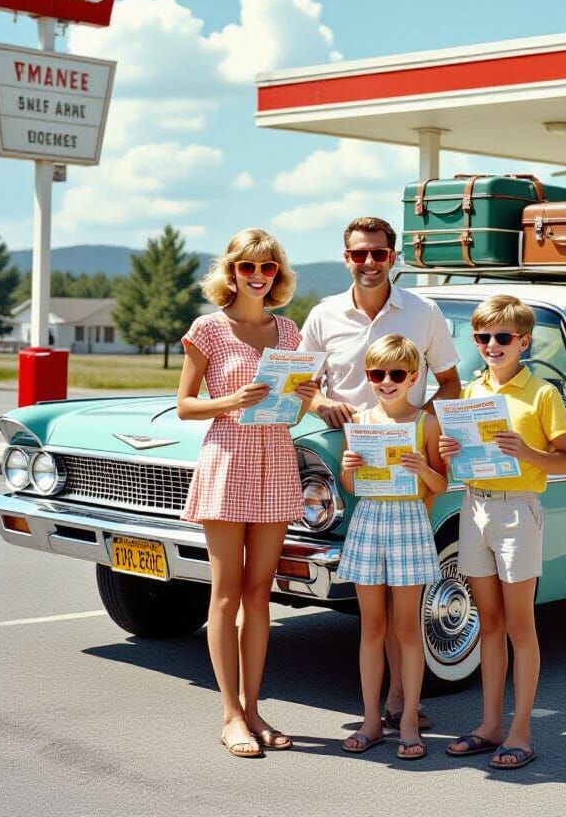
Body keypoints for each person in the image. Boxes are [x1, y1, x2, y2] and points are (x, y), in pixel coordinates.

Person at [301, 216, 460, 729]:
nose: (369, 262)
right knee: (374, 614)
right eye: (358, 254)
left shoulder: (423, 310)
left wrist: (425, 430)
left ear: (394, 257)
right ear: (346, 258)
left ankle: (402, 704)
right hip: (349, 468)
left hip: (412, 469)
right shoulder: (324, 314)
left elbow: (451, 383)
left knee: (404, 609)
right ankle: (383, 710)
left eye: (378, 253)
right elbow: (301, 384)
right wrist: (323, 402)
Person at [176, 228, 316, 759]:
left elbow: (294, 411)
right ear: (231, 272)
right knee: (226, 593)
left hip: (277, 459)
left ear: (277, 275)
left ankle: (254, 708)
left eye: (268, 269)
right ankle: (230, 714)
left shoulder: (287, 330)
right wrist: (232, 398)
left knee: (261, 594)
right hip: (228, 459)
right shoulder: (208, 329)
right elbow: (186, 405)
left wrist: (303, 397)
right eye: (248, 268)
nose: (258, 277)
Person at [440, 294, 566, 771]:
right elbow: (461, 458)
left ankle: (521, 731)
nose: (491, 345)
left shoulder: (542, 393)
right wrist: (449, 447)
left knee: (520, 626)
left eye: (501, 337)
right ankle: (489, 725)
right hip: (473, 505)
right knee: (488, 624)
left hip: (518, 511)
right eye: (482, 337)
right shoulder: (470, 391)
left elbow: (565, 460)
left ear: (523, 340)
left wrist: (525, 451)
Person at [337, 335, 447, 761]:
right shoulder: (360, 421)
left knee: (407, 629)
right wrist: (348, 470)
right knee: (371, 627)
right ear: (368, 376)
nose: (386, 382)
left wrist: (423, 468)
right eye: (376, 374)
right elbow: (351, 487)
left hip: (409, 523)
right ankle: (369, 720)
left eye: (396, 374)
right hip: (368, 521)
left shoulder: (426, 423)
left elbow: (442, 483)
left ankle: (406, 720)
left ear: (413, 377)